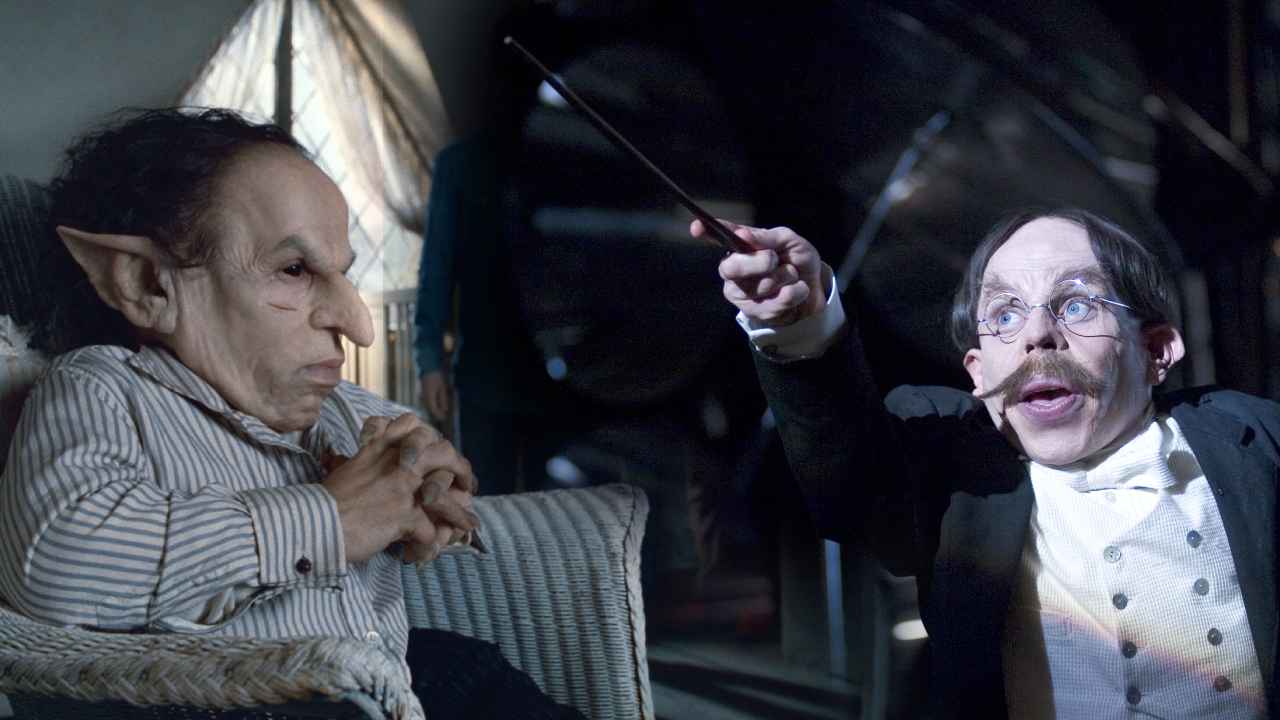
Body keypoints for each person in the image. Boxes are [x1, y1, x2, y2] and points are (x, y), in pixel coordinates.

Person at [0, 107, 582, 720]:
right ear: (148, 284)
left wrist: (433, 495)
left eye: (342, 274)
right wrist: (332, 517)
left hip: (402, 675)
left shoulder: (343, 407)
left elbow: (439, 486)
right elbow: (54, 565)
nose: (357, 327)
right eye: (295, 270)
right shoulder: (104, 388)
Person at [698, 209, 1279, 719]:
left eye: (1077, 304)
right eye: (1004, 315)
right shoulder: (953, 467)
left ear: (1156, 350)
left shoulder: (1255, 443)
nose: (1038, 335)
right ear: (978, 372)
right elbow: (851, 481)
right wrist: (800, 325)